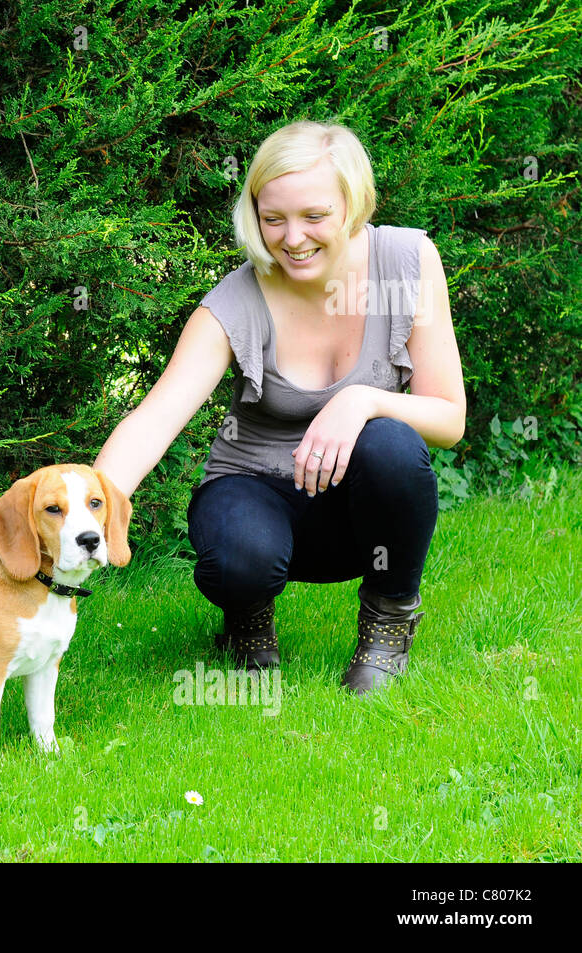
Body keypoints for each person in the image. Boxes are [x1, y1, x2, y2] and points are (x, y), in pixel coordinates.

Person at [94, 120, 466, 694]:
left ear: (354, 204)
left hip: (354, 513)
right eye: (273, 219)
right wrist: (84, 513)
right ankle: (247, 614)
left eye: (314, 216)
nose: (291, 239)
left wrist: (362, 400)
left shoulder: (408, 262)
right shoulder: (235, 301)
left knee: (392, 444)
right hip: (258, 487)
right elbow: (154, 420)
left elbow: (448, 418)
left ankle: (389, 621)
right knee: (241, 557)